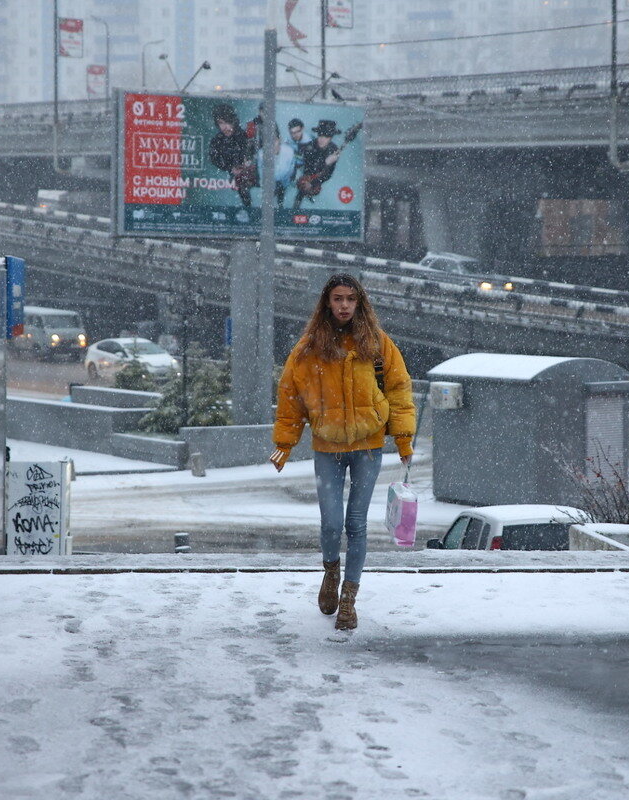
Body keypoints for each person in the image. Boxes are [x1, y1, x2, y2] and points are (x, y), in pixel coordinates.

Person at [270, 274, 416, 631]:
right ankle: (331, 571)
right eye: (338, 299)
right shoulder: (308, 348)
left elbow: (398, 390)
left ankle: (349, 600)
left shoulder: (378, 344)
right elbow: (291, 395)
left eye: (351, 299)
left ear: (360, 302)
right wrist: (284, 444)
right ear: (327, 303)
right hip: (327, 447)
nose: (344, 305)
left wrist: (403, 440)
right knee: (332, 523)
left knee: (356, 524)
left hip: (368, 446)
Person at [208, 103, 257, 208]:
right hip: (229, 190)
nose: (225, 127)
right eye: (221, 123)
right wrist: (231, 168)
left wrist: (247, 165)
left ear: (234, 121)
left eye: (228, 122)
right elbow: (215, 160)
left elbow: (256, 156)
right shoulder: (217, 141)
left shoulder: (245, 136)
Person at [292, 119, 343, 209]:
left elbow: (328, 175)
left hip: (322, 185)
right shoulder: (309, 148)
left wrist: (327, 165)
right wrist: (326, 163)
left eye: (326, 137)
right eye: (320, 135)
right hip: (305, 179)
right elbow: (310, 170)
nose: (322, 139)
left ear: (331, 138)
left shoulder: (334, 149)